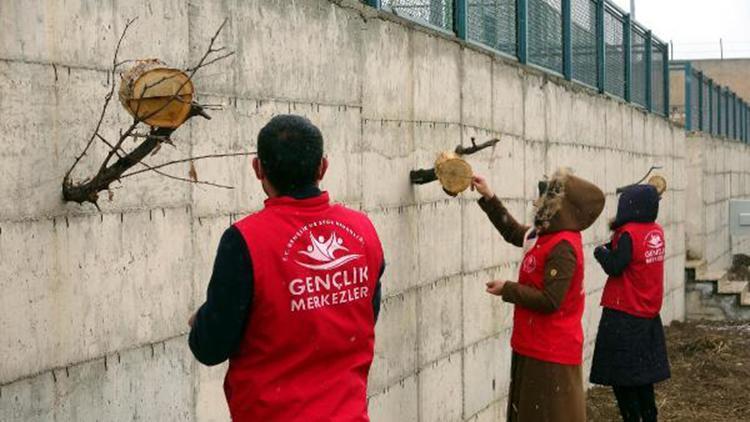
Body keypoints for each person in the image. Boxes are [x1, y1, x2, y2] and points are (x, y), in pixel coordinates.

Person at [188, 114, 385, 421]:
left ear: (258, 168)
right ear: (323, 167)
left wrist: (202, 320)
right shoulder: (363, 231)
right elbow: (365, 316)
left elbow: (211, 347)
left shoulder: (245, 240)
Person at [472, 168, 605, 422]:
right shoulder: (544, 236)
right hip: (532, 343)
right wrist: (489, 197)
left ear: (558, 208)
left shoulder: (563, 246)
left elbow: (550, 301)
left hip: (551, 350)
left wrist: (508, 289)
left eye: (542, 199)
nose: (535, 203)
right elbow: (512, 231)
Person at [590, 183, 670, 422]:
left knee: (622, 379)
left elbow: (615, 266)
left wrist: (600, 252)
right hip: (647, 315)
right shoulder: (656, 231)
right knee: (643, 378)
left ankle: (632, 418)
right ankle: (649, 416)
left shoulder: (628, 233)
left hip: (623, 315)